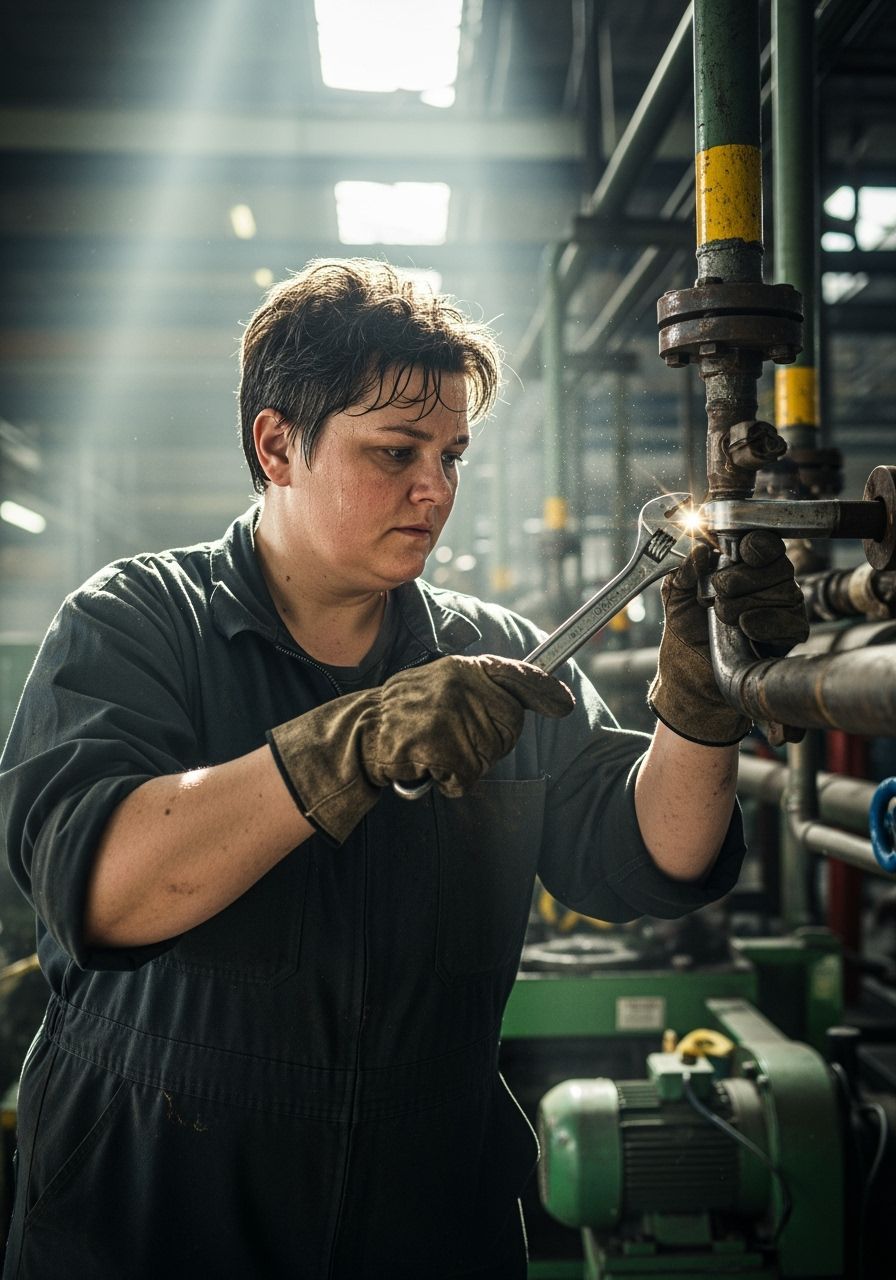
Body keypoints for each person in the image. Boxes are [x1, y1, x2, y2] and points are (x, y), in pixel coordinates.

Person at [0, 258, 808, 1279]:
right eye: (394, 451)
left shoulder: (501, 656)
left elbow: (651, 853)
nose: (433, 489)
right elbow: (107, 887)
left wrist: (698, 705)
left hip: (423, 1220)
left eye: (450, 454)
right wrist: (352, 741)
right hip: (153, 1217)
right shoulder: (135, 624)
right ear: (276, 443)